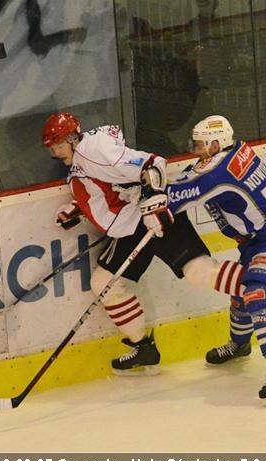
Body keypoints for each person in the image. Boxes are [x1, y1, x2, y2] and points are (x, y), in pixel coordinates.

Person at [42, 113, 245, 376]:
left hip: (151, 218)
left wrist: (155, 204)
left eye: (59, 145)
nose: (57, 153)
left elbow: (152, 164)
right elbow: (110, 185)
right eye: (53, 149)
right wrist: (78, 208)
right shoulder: (84, 155)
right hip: (132, 226)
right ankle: (143, 348)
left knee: (199, 272)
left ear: (72, 138)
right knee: (105, 283)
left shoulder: (92, 150)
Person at [165, 115, 266, 405]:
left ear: (215, 144)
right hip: (260, 239)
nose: (195, 151)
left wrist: (150, 195)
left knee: (257, 292)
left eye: (199, 145)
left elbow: (177, 197)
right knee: (241, 291)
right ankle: (240, 344)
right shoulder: (229, 155)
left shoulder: (219, 171)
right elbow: (187, 178)